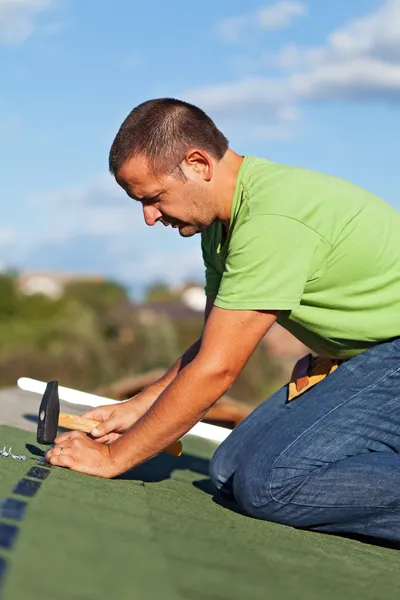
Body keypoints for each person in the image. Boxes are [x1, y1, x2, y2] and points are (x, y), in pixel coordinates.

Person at [46, 98, 400, 544]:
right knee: (230, 469)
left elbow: (219, 369)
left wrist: (113, 458)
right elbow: (210, 345)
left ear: (197, 164)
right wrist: (137, 409)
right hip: (371, 358)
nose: (149, 217)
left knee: (270, 483)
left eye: (153, 198)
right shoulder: (221, 223)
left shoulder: (273, 217)